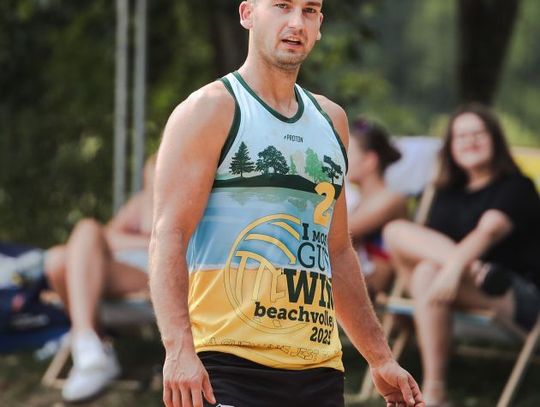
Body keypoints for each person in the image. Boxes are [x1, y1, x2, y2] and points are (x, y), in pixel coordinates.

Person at [149, 1, 424, 407]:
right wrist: (177, 350)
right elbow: (168, 235)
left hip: (319, 370)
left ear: (320, 24)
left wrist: (380, 358)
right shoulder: (210, 108)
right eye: (282, 6)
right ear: (247, 14)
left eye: (309, 10)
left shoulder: (332, 120)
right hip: (227, 365)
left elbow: (337, 251)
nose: (296, 22)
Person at [384, 103, 540, 406]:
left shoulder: (516, 187)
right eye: (461, 136)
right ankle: (435, 393)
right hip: (455, 287)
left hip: (516, 294)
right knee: (398, 235)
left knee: (428, 272)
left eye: (478, 134)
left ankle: (435, 392)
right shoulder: (445, 194)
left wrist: (455, 268)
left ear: (495, 139)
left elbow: (488, 231)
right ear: (451, 147)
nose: (470, 141)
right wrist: (460, 268)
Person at [12, 155, 156, 402]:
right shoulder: (141, 203)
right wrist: (144, 240)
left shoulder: (189, 201)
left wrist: (143, 242)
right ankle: (90, 343)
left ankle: (86, 345)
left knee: (84, 235)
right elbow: (107, 236)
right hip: (114, 267)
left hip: (150, 272)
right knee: (58, 257)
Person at [347, 118, 407, 295]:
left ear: (369, 161)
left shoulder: (390, 198)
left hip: (372, 289)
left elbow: (342, 232)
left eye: (348, 153)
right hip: (355, 283)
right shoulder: (358, 202)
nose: (341, 160)